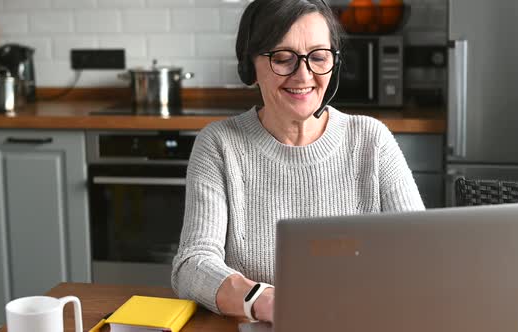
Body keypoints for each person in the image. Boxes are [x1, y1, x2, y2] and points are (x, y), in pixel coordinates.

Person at [171, 0, 424, 324]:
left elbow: (420, 255)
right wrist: (262, 301)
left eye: (318, 57)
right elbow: (192, 264)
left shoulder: (373, 141)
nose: (303, 75)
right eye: (283, 58)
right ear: (250, 65)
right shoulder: (219, 145)